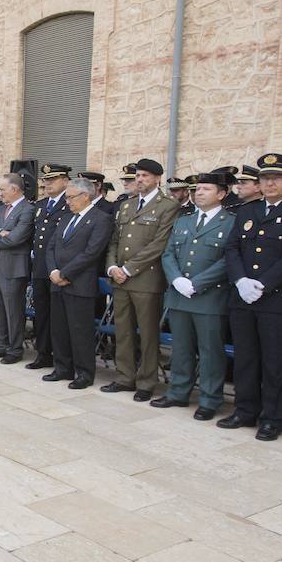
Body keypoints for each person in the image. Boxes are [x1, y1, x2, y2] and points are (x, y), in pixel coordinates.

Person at [219, 153, 282, 441]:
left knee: (275, 362)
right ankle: (245, 410)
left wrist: (263, 284)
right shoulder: (248, 210)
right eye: (265, 178)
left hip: (279, 300)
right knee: (246, 358)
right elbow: (232, 248)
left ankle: (274, 417)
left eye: (277, 178)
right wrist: (241, 280)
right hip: (244, 297)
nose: (270, 183)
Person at [154, 171, 236, 419]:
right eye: (197, 189)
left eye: (205, 189)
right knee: (181, 348)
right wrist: (176, 279)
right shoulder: (183, 220)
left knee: (210, 352)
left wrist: (198, 283)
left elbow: (229, 260)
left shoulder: (231, 222)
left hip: (210, 298)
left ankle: (210, 399)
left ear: (222, 194)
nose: (198, 193)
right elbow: (168, 253)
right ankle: (178, 392)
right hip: (180, 295)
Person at [102, 157, 181, 401]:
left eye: (145, 176)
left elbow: (159, 244)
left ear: (157, 178)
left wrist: (128, 269)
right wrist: (112, 266)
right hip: (120, 279)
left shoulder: (167, 206)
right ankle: (124, 377)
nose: (139, 180)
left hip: (146, 279)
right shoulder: (127, 205)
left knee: (147, 334)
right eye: (137, 176)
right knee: (123, 331)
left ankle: (146, 382)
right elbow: (115, 241)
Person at [43, 177, 113, 388]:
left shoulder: (101, 219)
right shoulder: (66, 218)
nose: (67, 201)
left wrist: (65, 273)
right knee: (59, 328)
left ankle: (84, 373)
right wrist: (53, 271)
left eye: (71, 197)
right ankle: (63, 368)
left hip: (79, 283)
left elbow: (92, 252)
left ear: (85, 196)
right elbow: (51, 247)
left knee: (80, 331)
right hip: (57, 282)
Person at [0, 171, 34, 363]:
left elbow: (17, 238)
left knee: (13, 310)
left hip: (13, 268)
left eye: (2, 189)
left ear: (14, 189)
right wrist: (0, 232)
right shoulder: (0, 209)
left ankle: (14, 349)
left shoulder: (27, 209)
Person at [28, 163, 73, 369]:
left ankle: (60, 356)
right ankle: (43, 353)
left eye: (52, 179)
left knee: (58, 316)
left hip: (59, 268)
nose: (47, 183)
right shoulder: (41, 205)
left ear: (65, 181)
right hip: (40, 267)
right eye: (45, 180)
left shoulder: (70, 203)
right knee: (42, 313)